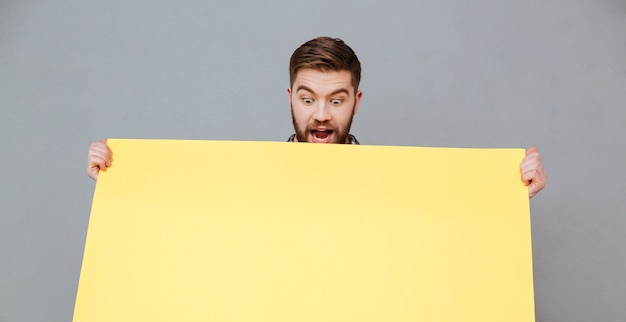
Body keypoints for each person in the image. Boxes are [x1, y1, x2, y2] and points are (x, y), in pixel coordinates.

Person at [87, 36, 546, 197]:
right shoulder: (252, 177)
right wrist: (119, 176)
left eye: (336, 100)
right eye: (307, 100)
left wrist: (512, 191)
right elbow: (189, 210)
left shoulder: (392, 181)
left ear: (357, 101)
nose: (321, 116)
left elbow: (448, 219)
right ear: (289, 98)